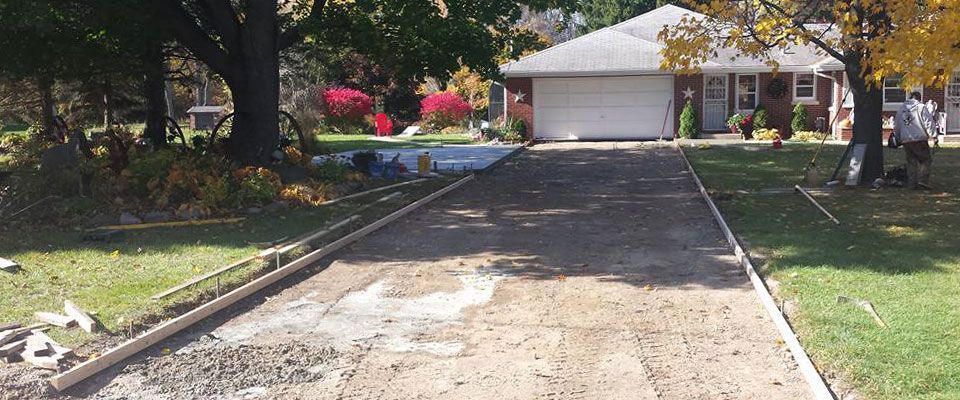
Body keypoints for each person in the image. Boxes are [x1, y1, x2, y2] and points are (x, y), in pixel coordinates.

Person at [893, 91, 934, 189]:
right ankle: (923, 181)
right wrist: (933, 135)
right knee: (926, 159)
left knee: (911, 161)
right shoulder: (921, 107)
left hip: (906, 139)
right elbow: (928, 122)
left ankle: (912, 183)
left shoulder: (902, 108)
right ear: (919, 98)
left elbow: (897, 125)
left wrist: (898, 137)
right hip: (919, 138)